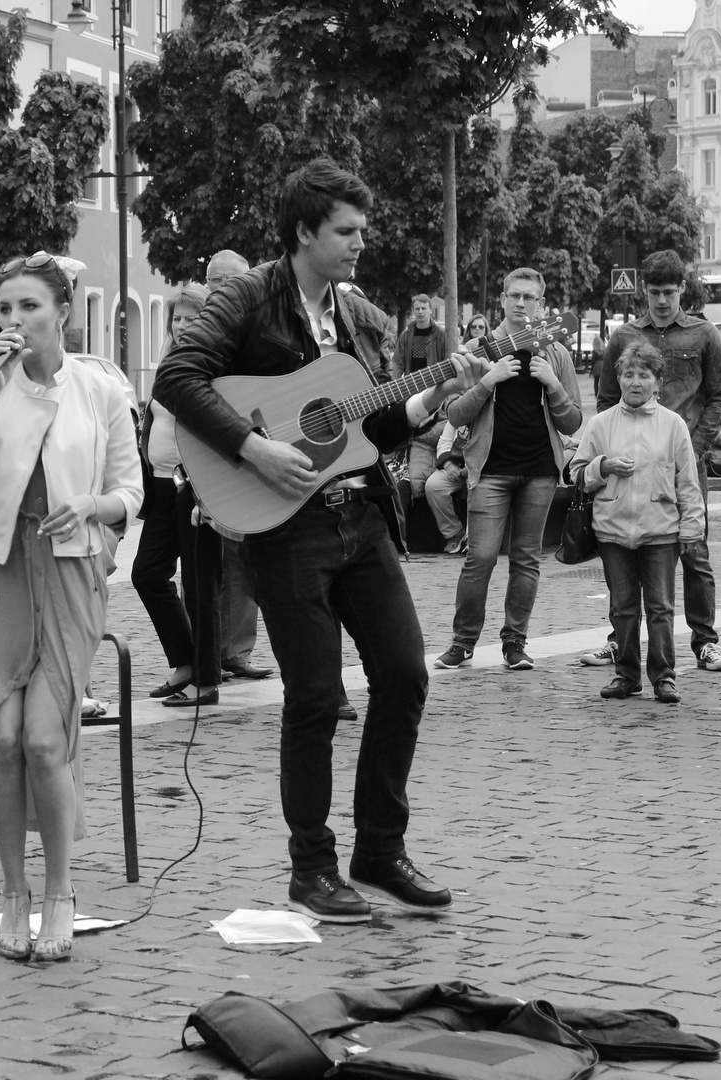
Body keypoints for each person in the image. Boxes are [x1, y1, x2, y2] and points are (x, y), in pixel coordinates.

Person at [155, 159, 476, 923]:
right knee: (316, 698)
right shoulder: (246, 297)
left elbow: (374, 427)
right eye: (347, 231)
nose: (362, 242)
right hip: (285, 526)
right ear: (304, 232)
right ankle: (312, 869)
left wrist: (439, 396)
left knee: (404, 674)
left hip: (361, 518)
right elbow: (177, 378)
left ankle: (380, 851)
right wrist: (253, 448)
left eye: (363, 229)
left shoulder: (361, 317)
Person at [0, 251, 142, 963]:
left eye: (29, 306)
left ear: (62, 312)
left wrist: (92, 506)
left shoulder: (101, 389)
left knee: (44, 739)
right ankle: (13, 891)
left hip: (69, 569)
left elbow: (132, 490)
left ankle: (59, 892)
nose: (16, 320)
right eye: (5, 309)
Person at [583, 250, 721, 674]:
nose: (662, 300)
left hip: (685, 459)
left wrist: (695, 445)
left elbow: (718, 398)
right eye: (654, 292)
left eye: (669, 292)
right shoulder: (625, 337)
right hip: (630, 466)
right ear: (643, 291)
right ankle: (621, 643)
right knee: (623, 555)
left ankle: (705, 641)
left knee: (694, 552)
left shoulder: (704, 335)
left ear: (682, 288)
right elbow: (607, 398)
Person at [434, 268, 583, 672]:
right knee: (479, 557)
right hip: (490, 471)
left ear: (541, 304)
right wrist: (488, 382)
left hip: (539, 471)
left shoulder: (556, 352)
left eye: (529, 297)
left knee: (526, 559)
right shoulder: (479, 349)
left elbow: (573, 423)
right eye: (514, 296)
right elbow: (454, 412)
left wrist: (553, 385)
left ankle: (515, 643)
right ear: (501, 299)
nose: (521, 303)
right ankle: (463, 642)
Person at [573, 341, 705, 704]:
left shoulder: (673, 425)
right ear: (617, 378)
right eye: (628, 374)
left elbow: (687, 483)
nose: (635, 382)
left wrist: (692, 529)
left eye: (643, 375)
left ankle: (664, 675)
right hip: (613, 531)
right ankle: (626, 675)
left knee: (661, 607)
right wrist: (604, 466)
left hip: (660, 530)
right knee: (623, 608)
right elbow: (578, 474)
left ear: (657, 382)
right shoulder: (601, 424)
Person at [134, 284, 223, 708]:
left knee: (199, 582)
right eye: (177, 318)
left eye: (190, 317)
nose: (181, 325)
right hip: (161, 484)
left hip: (197, 486)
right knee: (147, 573)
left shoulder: (215, 361)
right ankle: (185, 662)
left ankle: (206, 680)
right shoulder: (170, 360)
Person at [203, 250, 275, 684]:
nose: (229, 290)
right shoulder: (201, 331)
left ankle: (237, 651)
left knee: (243, 561)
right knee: (206, 569)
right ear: (208, 283)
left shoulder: (258, 330)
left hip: (252, 454)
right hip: (205, 456)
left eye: (239, 282)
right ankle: (207, 654)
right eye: (221, 281)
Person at [395, 293, 451, 502]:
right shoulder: (407, 333)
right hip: (411, 386)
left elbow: (446, 358)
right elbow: (398, 360)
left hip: (432, 386)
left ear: (430, 310)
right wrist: (393, 385)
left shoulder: (439, 334)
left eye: (423, 308)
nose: (420, 312)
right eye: (416, 309)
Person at [425, 413, 468, 554]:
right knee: (433, 485)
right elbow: (444, 442)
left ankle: (473, 538)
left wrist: (471, 468)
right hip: (456, 466)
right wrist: (449, 464)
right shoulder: (460, 410)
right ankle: (454, 532)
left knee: (476, 485)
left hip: (483, 467)